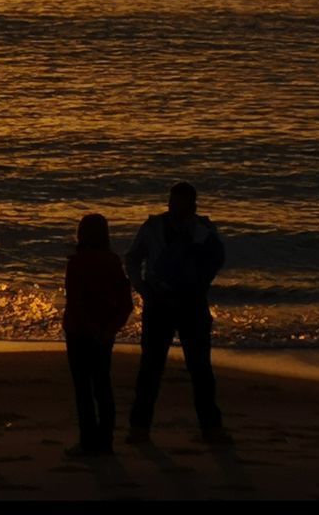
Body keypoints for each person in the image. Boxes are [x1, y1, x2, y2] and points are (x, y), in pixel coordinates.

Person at [125, 181, 231, 445]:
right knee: (151, 368)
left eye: (182, 205)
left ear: (193, 206)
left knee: (200, 370)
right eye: (174, 203)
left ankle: (211, 429)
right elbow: (133, 258)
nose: (176, 209)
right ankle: (139, 429)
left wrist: (201, 280)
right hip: (159, 302)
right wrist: (142, 288)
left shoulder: (204, 230)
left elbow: (218, 259)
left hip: (191, 303)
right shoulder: (153, 227)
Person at [62, 212, 134, 457]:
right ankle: (106, 442)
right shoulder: (113, 262)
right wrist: (109, 328)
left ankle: (88, 442)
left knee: (83, 389)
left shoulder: (76, 263)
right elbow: (126, 304)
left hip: (79, 332)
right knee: (103, 386)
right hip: (104, 332)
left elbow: (75, 303)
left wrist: (93, 329)